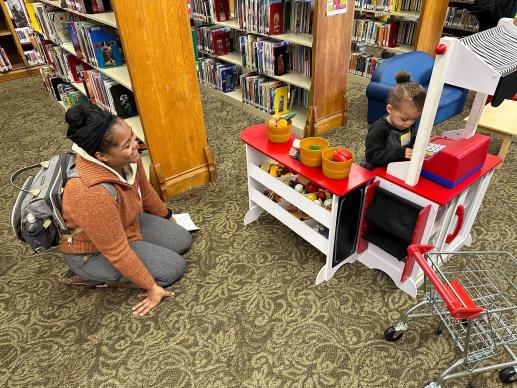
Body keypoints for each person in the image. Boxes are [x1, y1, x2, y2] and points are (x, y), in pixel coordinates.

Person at [60, 105, 192, 316]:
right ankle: (90, 276)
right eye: (127, 145)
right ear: (102, 156)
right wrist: (151, 288)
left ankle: (137, 258)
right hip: (93, 251)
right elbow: (117, 251)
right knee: (173, 269)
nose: (136, 145)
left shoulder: (129, 158)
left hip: (126, 223)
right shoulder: (89, 193)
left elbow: (146, 193)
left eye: (133, 136)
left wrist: (168, 217)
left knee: (182, 239)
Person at [361, 71, 426, 170]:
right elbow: (372, 156)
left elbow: (410, 137)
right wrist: (401, 153)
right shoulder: (378, 129)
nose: (409, 123)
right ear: (389, 109)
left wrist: (418, 143)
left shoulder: (409, 121)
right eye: (404, 119)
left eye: (414, 119)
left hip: (398, 166)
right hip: (376, 168)